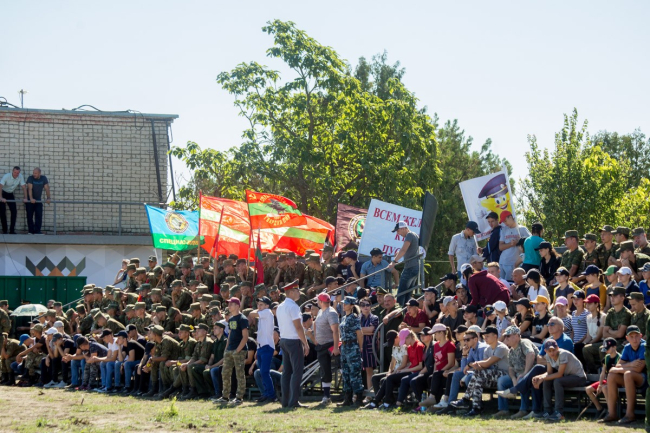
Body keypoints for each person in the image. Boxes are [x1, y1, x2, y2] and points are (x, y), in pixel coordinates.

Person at [450, 326, 510, 416]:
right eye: (484, 336)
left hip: (505, 375)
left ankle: (466, 399)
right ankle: (476, 407)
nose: (485, 338)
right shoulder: (487, 349)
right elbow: (483, 367)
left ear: (495, 336)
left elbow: (487, 363)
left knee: (478, 373)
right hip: (492, 376)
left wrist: (470, 364)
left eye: (487, 336)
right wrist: (475, 366)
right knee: (478, 379)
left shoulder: (501, 347)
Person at [600, 325, 646, 424]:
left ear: (641, 336)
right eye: (631, 337)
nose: (634, 339)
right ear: (627, 338)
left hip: (644, 379)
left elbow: (639, 369)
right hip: (630, 378)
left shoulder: (644, 346)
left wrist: (621, 368)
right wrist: (631, 364)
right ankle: (612, 414)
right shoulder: (627, 347)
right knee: (611, 376)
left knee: (627, 374)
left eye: (636, 336)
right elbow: (618, 365)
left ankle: (630, 415)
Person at [532, 339, 586, 421]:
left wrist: (542, 378)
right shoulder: (548, 356)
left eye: (553, 350)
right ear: (545, 351)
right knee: (547, 381)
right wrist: (539, 377)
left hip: (579, 378)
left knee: (557, 381)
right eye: (549, 351)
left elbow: (559, 374)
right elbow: (549, 373)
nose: (552, 353)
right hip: (567, 377)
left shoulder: (563, 354)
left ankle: (559, 413)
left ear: (557, 348)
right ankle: (547, 411)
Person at [276, 280, 309, 409]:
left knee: (286, 372)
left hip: (284, 340)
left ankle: (285, 401)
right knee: (297, 371)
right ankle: (293, 401)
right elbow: (298, 327)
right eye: (297, 291)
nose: (299, 293)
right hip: (294, 341)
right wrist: (305, 343)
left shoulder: (280, 306)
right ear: (291, 292)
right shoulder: (293, 306)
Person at [583, 287, 631, 374]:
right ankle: (593, 373)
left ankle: (608, 373)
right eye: (611, 296)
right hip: (608, 341)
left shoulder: (626, 313)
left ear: (622, 298)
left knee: (603, 349)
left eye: (615, 296)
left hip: (620, 342)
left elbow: (620, 335)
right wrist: (614, 332)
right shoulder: (610, 312)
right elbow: (604, 333)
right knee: (586, 349)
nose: (612, 298)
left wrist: (610, 331)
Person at [497, 325, 539, 419]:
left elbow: (531, 354)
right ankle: (503, 409)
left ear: (516, 336)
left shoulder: (524, 342)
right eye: (505, 336)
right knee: (501, 381)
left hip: (532, 374)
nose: (506, 338)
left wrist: (525, 373)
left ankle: (523, 410)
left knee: (521, 380)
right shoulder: (511, 351)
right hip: (517, 375)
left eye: (508, 336)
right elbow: (510, 368)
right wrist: (513, 378)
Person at [213, 297, 248, 405]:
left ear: (237, 306)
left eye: (231, 304)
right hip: (230, 349)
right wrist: (226, 348)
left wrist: (238, 350)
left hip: (239, 350)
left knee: (239, 374)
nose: (229, 306)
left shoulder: (242, 319)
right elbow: (230, 334)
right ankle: (225, 396)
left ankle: (239, 397)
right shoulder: (232, 319)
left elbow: (245, 337)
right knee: (225, 373)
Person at [363, 329, 409, 410]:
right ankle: (380, 401)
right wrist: (389, 371)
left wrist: (393, 372)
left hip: (402, 371)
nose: (393, 344)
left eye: (393, 341)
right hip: (395, 371)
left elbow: (404, 364)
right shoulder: (394, 347)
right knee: (375, 378)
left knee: (386, 379)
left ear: (397, 337)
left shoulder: (404, 347)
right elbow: (392, 362)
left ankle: (379, 401)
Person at [309, 292, 340, 404]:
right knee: (325, 371)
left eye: (318, 300)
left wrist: (336, 347)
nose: (317, 302)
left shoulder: (331, 313)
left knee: (341, 367)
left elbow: (335, 331)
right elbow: (315, 324)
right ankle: (326, 396)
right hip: (321, 346)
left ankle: (350, 393)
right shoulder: (321, 311)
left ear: (321, 302)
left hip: (331, 345)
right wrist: (316, 339)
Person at [247, 296, 277, 403]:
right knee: (263, 373)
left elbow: (251, 314)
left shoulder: (267, 312)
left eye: (261, 304)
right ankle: (266, 394)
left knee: (264, 372)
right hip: (261, 347)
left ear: (267, 306)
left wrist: (258, 309)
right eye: (258, 304)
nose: (259, 306)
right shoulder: (263, 313)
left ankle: (271, 395)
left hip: (267, 346)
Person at [338, 297, 365, 407]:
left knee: (355, 373)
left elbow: (359, 333)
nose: (343, 305)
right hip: (344, 346)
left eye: (346, 304)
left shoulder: (354, 317)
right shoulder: (344, 318)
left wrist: (360, 347)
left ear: (352, 305)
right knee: (345, 372)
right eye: (343, 303)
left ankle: (359, 398)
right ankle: (347, 398)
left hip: (352, 346)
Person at [387, 221, 421, 306]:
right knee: (407, 294)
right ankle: (406, 312)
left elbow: (403, 250)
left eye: (398, 230)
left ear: (403, 228)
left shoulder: (409, 235)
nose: (398, 233)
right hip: (415, 266)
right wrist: (399, 254)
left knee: (401, 293)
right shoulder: (414, 234)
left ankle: (399, 311)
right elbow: (409, 250)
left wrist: (394, 262)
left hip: (410, 267)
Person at [585, 337, 619, 420]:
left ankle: (610, 411)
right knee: (588, 389)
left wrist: (603, 385)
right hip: (607, 380)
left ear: (614, 347)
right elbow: (603, 372)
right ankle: (600, 409)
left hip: (616, 381)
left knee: (604, 388)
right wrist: (600, 384)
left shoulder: (619, 357)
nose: (606, 350)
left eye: (608, 348)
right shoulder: (606, 358)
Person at [498, 212, 531, 281]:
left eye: (505, 221)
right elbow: (500, 247)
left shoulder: (522, 229)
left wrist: (518, 242)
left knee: (511, 283)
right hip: (502, 261)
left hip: (514, 263)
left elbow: (530, 243)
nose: (505, 223)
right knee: (501, 282)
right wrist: (511, 244)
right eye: (503, 222)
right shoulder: (504, 230)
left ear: (510, 217)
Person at [359, 298, 378, 396]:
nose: (365, 307)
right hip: (359, 346)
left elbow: (371, 330)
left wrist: (359, 330)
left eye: (367, 305)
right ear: (360, 307)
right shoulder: (358, 318)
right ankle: (357, 394)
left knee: (369, 370)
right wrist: (365, 331)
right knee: (357, 371)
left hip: (370, 346)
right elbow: (367, 331)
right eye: (363, 305)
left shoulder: (374, 318)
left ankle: (370, 394)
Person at [0, 166, 27, 234]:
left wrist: (25, 197)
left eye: (17, 173)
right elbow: (0, 186)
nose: (16, 174)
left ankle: (12, 230)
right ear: (12, 171)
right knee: (2, 212)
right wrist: (1, 197)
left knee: (14, 211)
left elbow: (24, 187)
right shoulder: (7, 176)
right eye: (15, 172)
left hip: (10, 194)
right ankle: (5, 230)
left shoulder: (20, 176)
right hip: (3, 193)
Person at [25, 167, 51, 235]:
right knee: (29, 216)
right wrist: (31, 198)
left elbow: (47, 188)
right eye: (33, 173)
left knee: (39, 215)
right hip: (30, 201)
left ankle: (37, 231)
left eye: (36, 173)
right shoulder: (30, 178)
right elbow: (29, 189)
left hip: (38, 200)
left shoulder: (43, 178)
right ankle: (30, 231)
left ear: (39, 173)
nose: (34, 174)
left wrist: (48, 198)